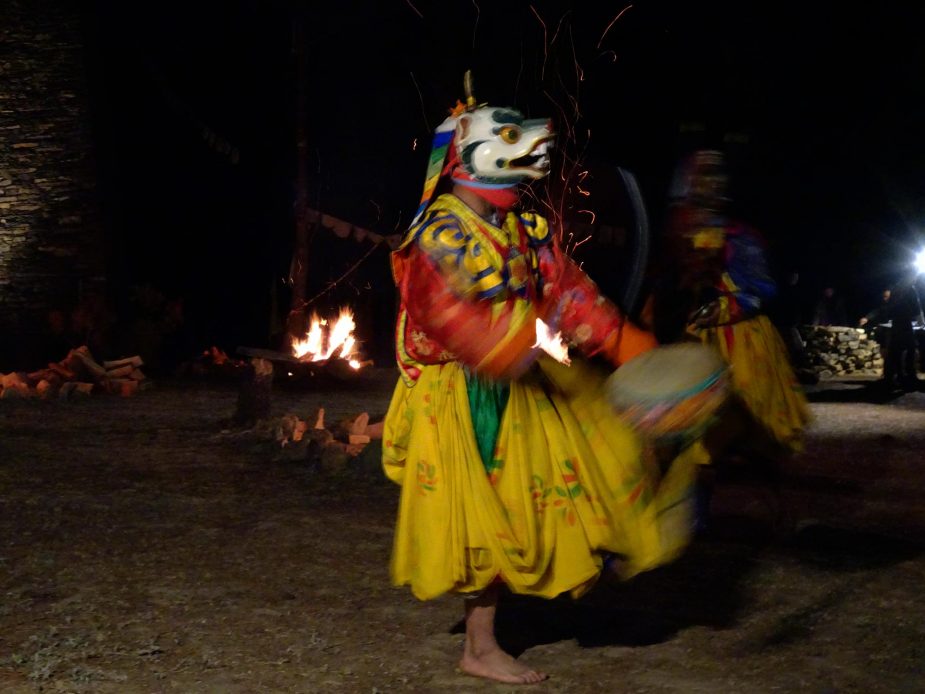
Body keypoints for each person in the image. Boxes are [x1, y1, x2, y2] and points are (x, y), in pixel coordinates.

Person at [382, 80, 701, 684]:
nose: (528, 155)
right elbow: (451, 320)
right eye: (506, 141)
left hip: (529, 382)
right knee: (486, 521)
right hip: (467, 396)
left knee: (562, 488)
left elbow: (570, 293)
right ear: (465, 155)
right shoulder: (438, 237)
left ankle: (506, 623)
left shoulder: (525, 228)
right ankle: (479, 647)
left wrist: (628, 347)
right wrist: (527, 336)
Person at [659, 149, 811, 527]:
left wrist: (730, 306)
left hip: (740, 346)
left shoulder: (740, 237)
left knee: (744, 431)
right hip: (693, 341)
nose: (708, 184)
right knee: (694, 437)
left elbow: (763, 287)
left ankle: (772, 507)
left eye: (715, 176)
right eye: (701, 176)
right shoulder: (678, 233)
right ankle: (693, 515)